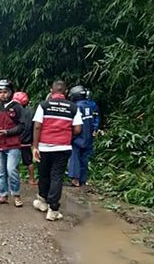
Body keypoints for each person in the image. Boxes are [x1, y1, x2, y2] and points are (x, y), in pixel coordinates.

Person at [32, 80, 82, 221]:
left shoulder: (44, 105)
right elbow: (78, 129)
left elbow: (37, 126)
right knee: (56, 176)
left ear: (51, 91)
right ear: (65, 92)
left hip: (44, 147)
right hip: (63, 148)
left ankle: (42, 201)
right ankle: (53, 210)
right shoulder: (73, 107)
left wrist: (35, 147)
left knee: (43, 174)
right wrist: (65, 135)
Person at [0, 80, 24, 206]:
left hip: (13, 144)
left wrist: (7, 132)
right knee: (0, 172)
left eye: (5, 92)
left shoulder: (17, 107)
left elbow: (22, 126)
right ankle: (3, 195)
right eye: (0, 92)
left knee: (11, 170)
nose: (2, 95)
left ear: (11, 92)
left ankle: (16, 195)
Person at [67, 85, 96, 187]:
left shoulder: (76, 107)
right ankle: (83, 179)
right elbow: (95, 120)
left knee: (74, 157)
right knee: (84, 158)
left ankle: (75, 179)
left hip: (78, 136)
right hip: (88, 136)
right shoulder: (90, 105)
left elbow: (74, 123)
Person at [12, 91, 36, 185]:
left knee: (14, 161)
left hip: (15, 140)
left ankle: (15, 179)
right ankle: (32, 179)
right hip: (27, 141)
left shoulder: (13, 111)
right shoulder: (31, 111)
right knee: (28, 161)